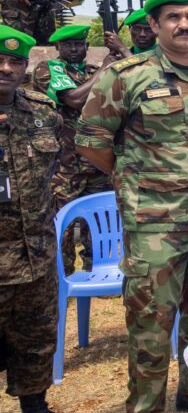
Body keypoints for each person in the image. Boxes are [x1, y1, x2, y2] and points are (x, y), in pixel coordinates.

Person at [76, 0, 188, 413]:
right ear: (154, 25)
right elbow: (90, 142)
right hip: (155, 224)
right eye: (173, 18)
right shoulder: (127, 76)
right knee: (151, 317)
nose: (184, 25)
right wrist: (137, 184)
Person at [0, 25, 84, 413]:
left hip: (34, 255)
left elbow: (61, 170)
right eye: (0, 60)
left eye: (16, 61)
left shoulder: (41, 112)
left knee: (35, 342)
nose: (7, 69)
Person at [31, 23, 114, 273]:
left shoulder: (91, 71)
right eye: (68, 45)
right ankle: (62, 276)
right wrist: (105, 70)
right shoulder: (50, 68)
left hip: (97, 161)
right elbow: (74, 99)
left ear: (87, 47)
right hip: (64, 164)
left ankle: (98, 271)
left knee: (100, 223)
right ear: (58, 47)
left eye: (79, 44)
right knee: (62, 225)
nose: (75, 49)